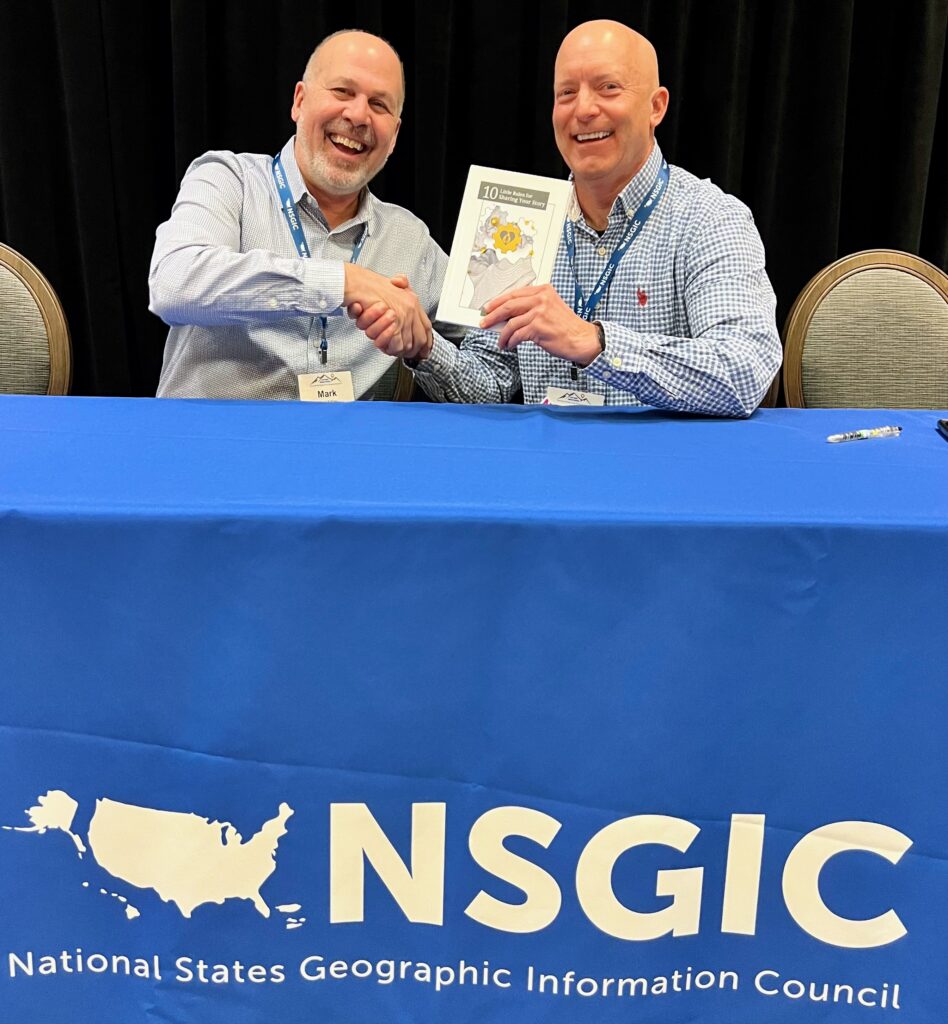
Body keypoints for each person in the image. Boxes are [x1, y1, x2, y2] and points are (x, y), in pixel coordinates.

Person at [367, 20, 782, 416]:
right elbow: (489, 385)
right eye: (566, 93)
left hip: (662, 473)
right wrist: (424, 347)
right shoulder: (519, 224)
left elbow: (745, 370)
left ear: (656, 107)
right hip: (548, 477)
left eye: (608, 88)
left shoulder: (710, 218)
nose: (583, 109)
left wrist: (595, 342)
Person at [150, 30, 442, 400]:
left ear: (395, 135)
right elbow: (173, 284)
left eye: (379, 105)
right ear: (300, 101)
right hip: (211, 448)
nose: (358, 115)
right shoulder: (229, 179)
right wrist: (341, 283)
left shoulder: (411, 241)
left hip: (337, 453)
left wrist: (425, 351)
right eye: (342, 92)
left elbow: (490, 352)